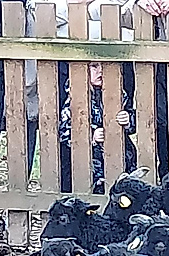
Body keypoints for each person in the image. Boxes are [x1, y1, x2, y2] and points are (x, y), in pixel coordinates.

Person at [58, 62, 137, 193]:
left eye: (103, 66)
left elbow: (134, 121)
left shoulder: (118, 91)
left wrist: (128, 119)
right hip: (88, 160)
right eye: (94, 67)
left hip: (119, 153)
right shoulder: (74, 95)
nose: (100, 71)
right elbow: (65, 132)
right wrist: (91, 136)